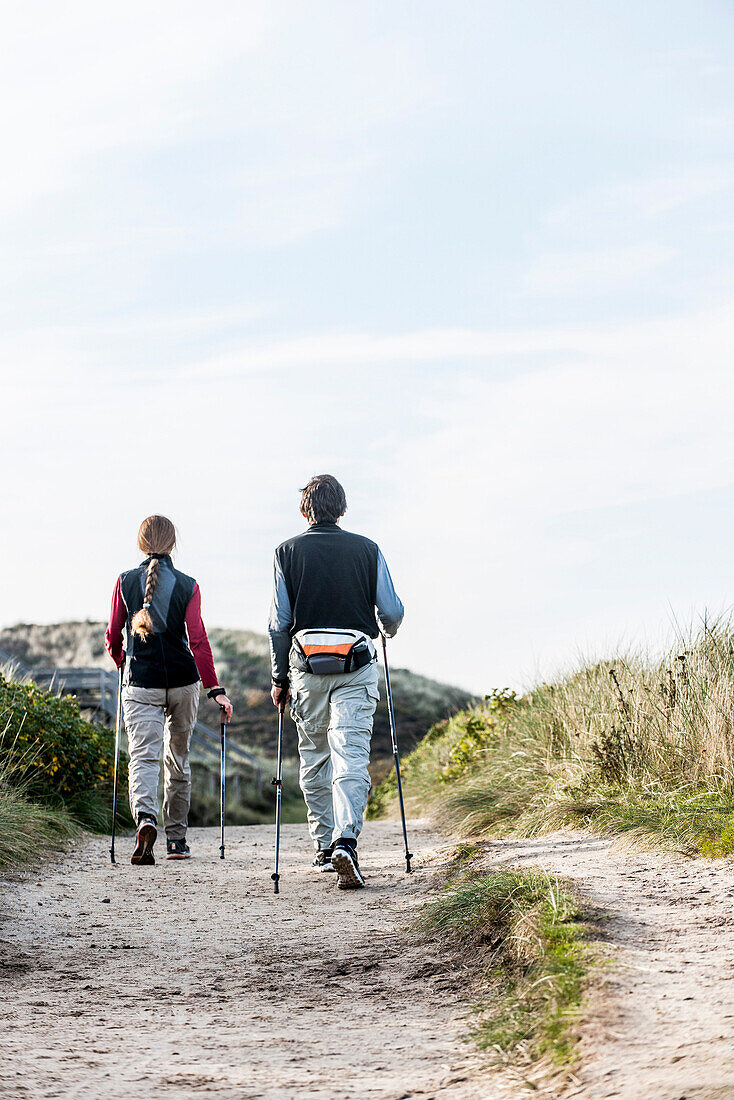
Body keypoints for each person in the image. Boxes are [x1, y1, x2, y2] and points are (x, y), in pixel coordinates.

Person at [268, 475, 404, 889]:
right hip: (357, 666)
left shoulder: (285, 552)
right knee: (350, 754)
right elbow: (392, 612)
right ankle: (348, 840)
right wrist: (387, 629)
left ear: (304, 511)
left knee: (313, 757)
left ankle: (325, 848)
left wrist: (278, 679)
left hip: (306, 670)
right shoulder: (368, 549)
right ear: (342, 509)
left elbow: (279, 624)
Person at [105, 515, 233, 865]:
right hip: (183, 683)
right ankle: (176, 841)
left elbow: (113, 637)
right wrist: (215, 690)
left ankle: (146, 819)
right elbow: (199, 641)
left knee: (143, 757)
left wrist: (121, 661)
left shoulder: (124, 581)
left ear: (140, 543)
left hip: (140, 682)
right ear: (173, 544)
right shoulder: (189, 585)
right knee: (178, 759)